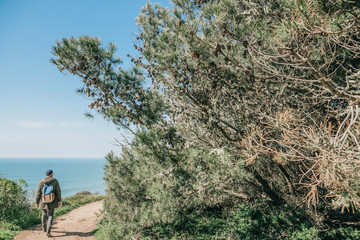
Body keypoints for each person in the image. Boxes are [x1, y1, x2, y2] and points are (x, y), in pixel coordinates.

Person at [36, 169, 62, 237]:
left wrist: (37, 202)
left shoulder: (42, 181)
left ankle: (44, 229)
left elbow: (38, 192)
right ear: (51, 174)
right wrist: (59, 201)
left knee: (44, 214)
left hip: (43, 201)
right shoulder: (55, 181)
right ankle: (48, 231)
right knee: (50, 215)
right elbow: (58, 192)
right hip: (52, 201)